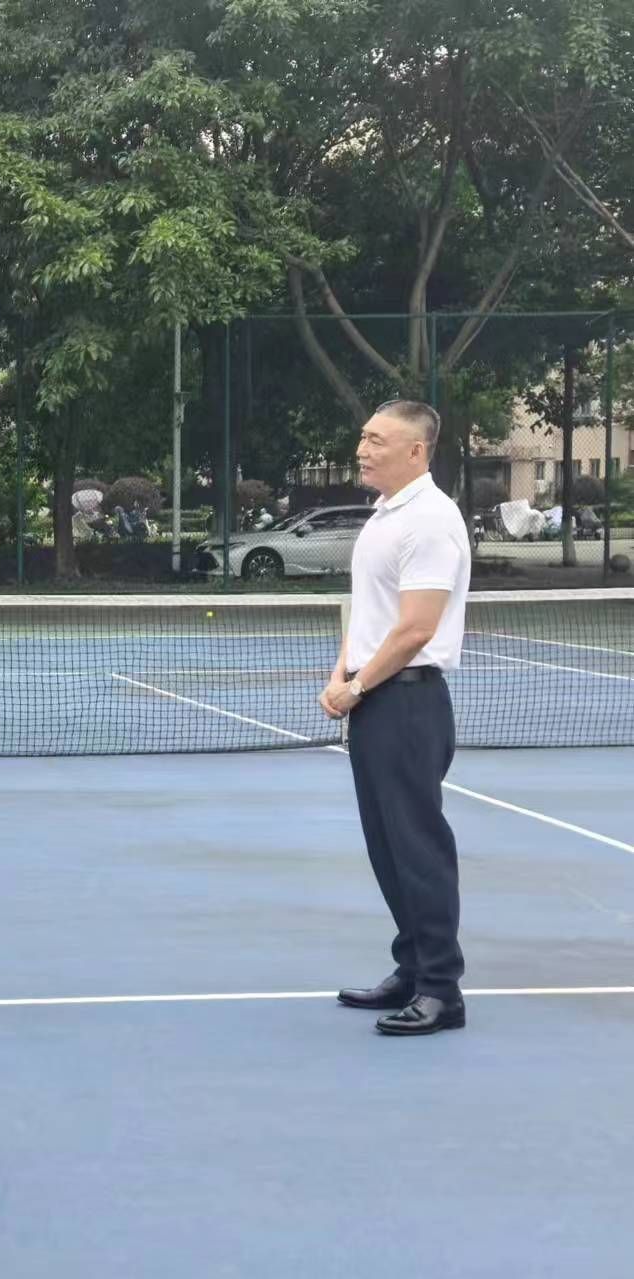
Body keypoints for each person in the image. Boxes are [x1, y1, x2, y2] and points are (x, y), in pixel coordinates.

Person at [320, 399, 472, 1037]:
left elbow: (415, 629)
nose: (363, 449)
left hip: (407, 702)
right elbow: (367, 613)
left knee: (417, 846)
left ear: (416, 451)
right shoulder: (384, 517)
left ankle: (440, 990)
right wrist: (342, 674)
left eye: (377, 440)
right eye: (363, 437)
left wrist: (357, 686)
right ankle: (411, 969)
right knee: (387, 846)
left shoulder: (431, 520)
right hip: (376, 699)